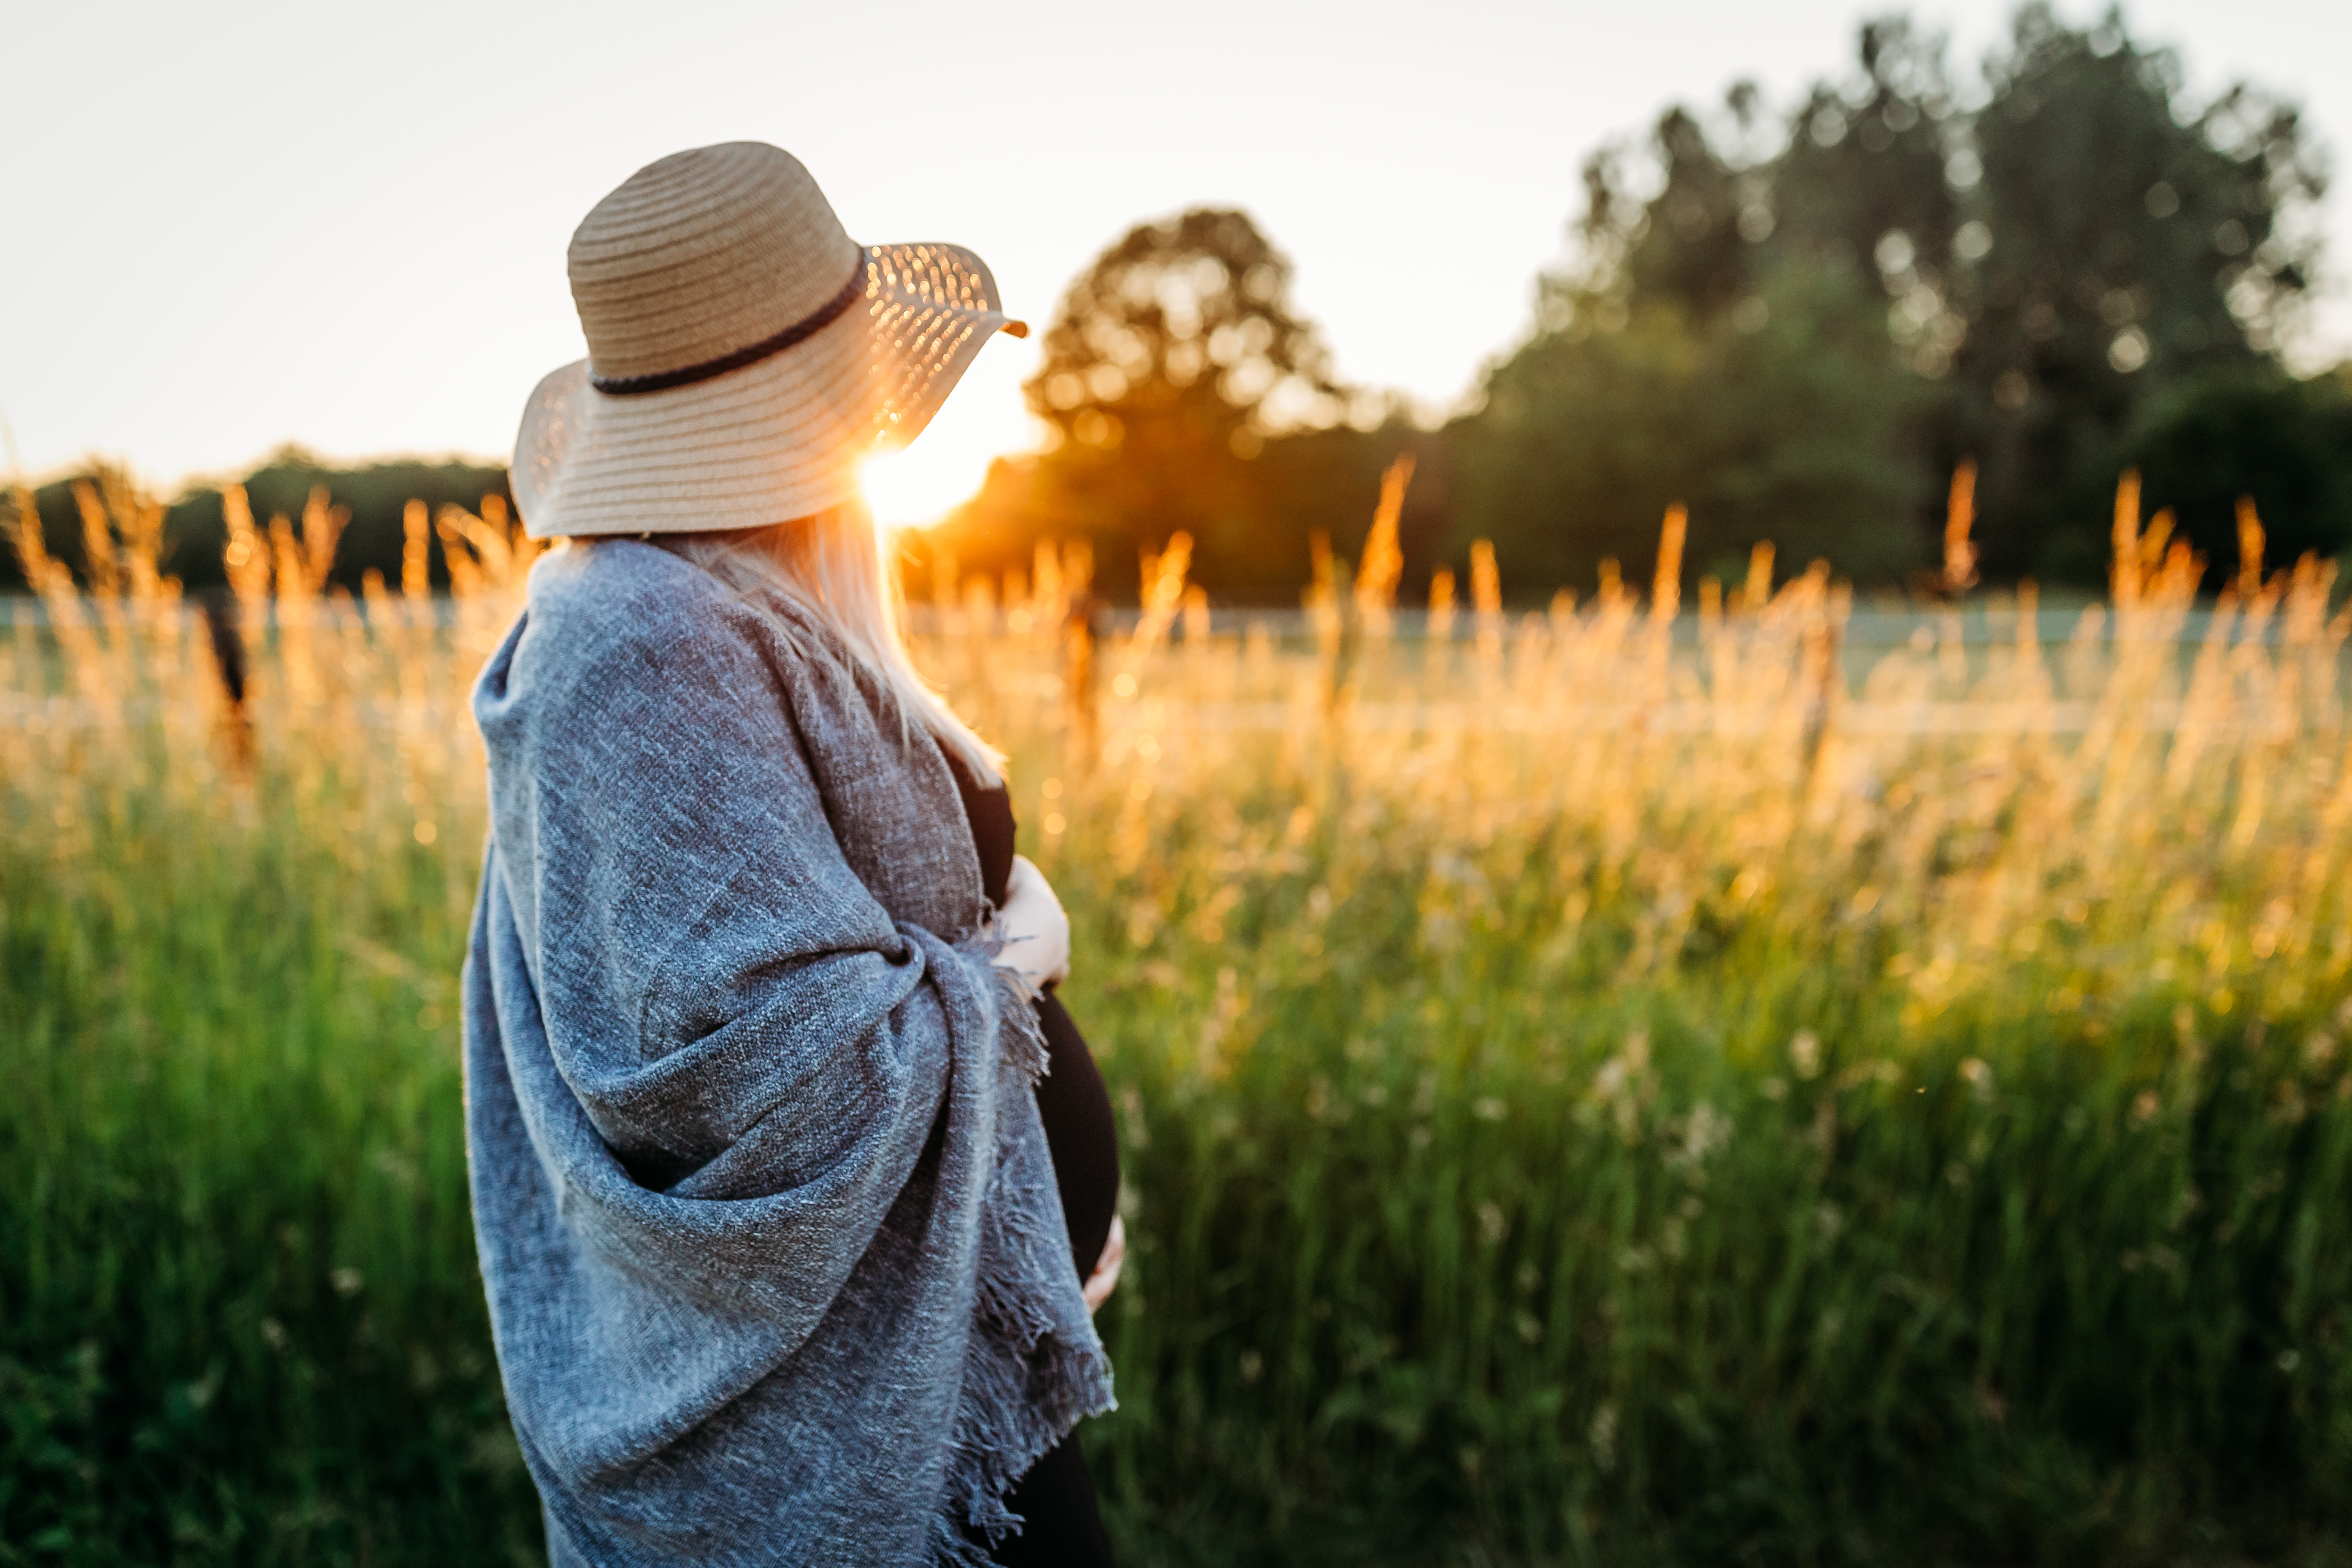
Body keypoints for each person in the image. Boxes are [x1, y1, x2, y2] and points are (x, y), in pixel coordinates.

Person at [462, 141, 1123, 1567]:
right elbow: (779, 1078)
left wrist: (1026, 1222)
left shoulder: (745, 597)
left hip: (962, 1369)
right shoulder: (636, 643)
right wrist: (1012, 976)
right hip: (853, 1422)